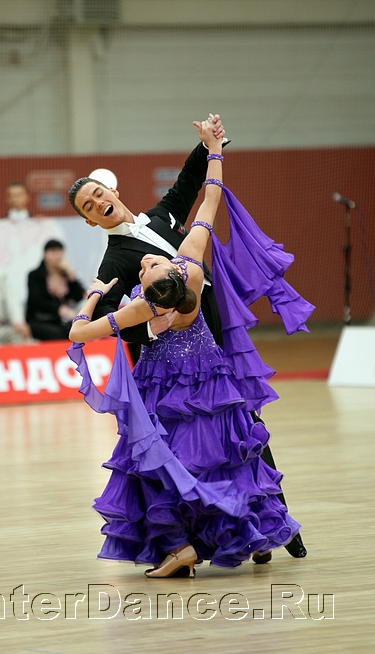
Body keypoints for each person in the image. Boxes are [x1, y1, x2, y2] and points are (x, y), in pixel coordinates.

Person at [68, 117, 309, 576]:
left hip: (216, 333)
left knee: (245, 430)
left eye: (99, 194)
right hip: (173, 358)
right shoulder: (113, 260)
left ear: (113, 192)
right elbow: (118, 324)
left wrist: (209, 143)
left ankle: (275, 525)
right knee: (193, 447)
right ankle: (225, 533)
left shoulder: (162, 216)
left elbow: (192, 182)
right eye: (89, 206)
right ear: (89, 220)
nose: (99, 203)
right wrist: (156, 328)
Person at [26, 239, 86, 341]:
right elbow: (36, 300)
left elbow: (79, 296)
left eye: (60, 252)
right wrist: (59, 309)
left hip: (64, 320)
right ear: (45, 255)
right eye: (53, 252)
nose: (57, 256)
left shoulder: (65, 274)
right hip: (42, 319)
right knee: (56, 333)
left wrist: (71, 275)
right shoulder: (35, 275)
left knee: (76, 330)